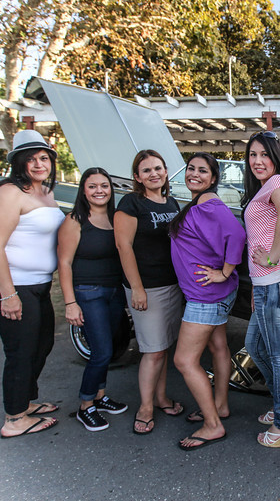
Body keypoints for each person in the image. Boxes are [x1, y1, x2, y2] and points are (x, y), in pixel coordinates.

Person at [0, 130, 63, 438]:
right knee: (21, 350)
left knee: (42, 345)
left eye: (43, 158)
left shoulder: (44, 192)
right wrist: (8, 294)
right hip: (12, 287)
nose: (39, 164)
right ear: (19, 164)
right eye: (31, 159)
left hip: (38, 286)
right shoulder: (9, 192)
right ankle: (14, 419)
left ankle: (25, 404)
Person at [170, 153, 246, 451]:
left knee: (184, 360)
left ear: (213, 178)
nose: (195, 174)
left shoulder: (208, 204)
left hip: (206, 297)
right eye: (191, 169)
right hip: (212, 295)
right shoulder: (198, 203)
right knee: (218, 347)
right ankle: (221, 405)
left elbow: (237, 235)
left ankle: (213, 425)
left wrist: (224, 272)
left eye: (203, 171)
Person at [115, 149, 184, 435]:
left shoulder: (172, 202)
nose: (153, 173)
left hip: (173, 284)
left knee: (164, 346)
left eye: (158, 168)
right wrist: (137, 288)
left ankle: (161, 397)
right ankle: (145, 406)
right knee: (152, 350)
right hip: (147, 287)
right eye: (146, 170)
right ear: (137, 177)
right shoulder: (131, 203)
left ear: (166, 171)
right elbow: (123, 246)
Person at [242, 130, 280, 448]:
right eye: (252, 154)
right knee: (255, 347)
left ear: (276, 156)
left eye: (264, 154)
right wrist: (257, 282)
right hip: (266, 285)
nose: (257, 160)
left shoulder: (279, 183)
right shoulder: (265, 187)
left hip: (278, 281)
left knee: (279, 358)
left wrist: (272, 257)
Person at [58, 167, 128, 432]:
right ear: (83, 191)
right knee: (101, 352)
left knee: (108, 348)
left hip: (113, 292)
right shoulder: (75, 220)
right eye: (93, 186)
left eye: (105, 186)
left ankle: (100, 396)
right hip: (87, 293)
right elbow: (64, 263)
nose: (100, 191)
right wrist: (69, 303)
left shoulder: (116, 217)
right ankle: (85, 405)